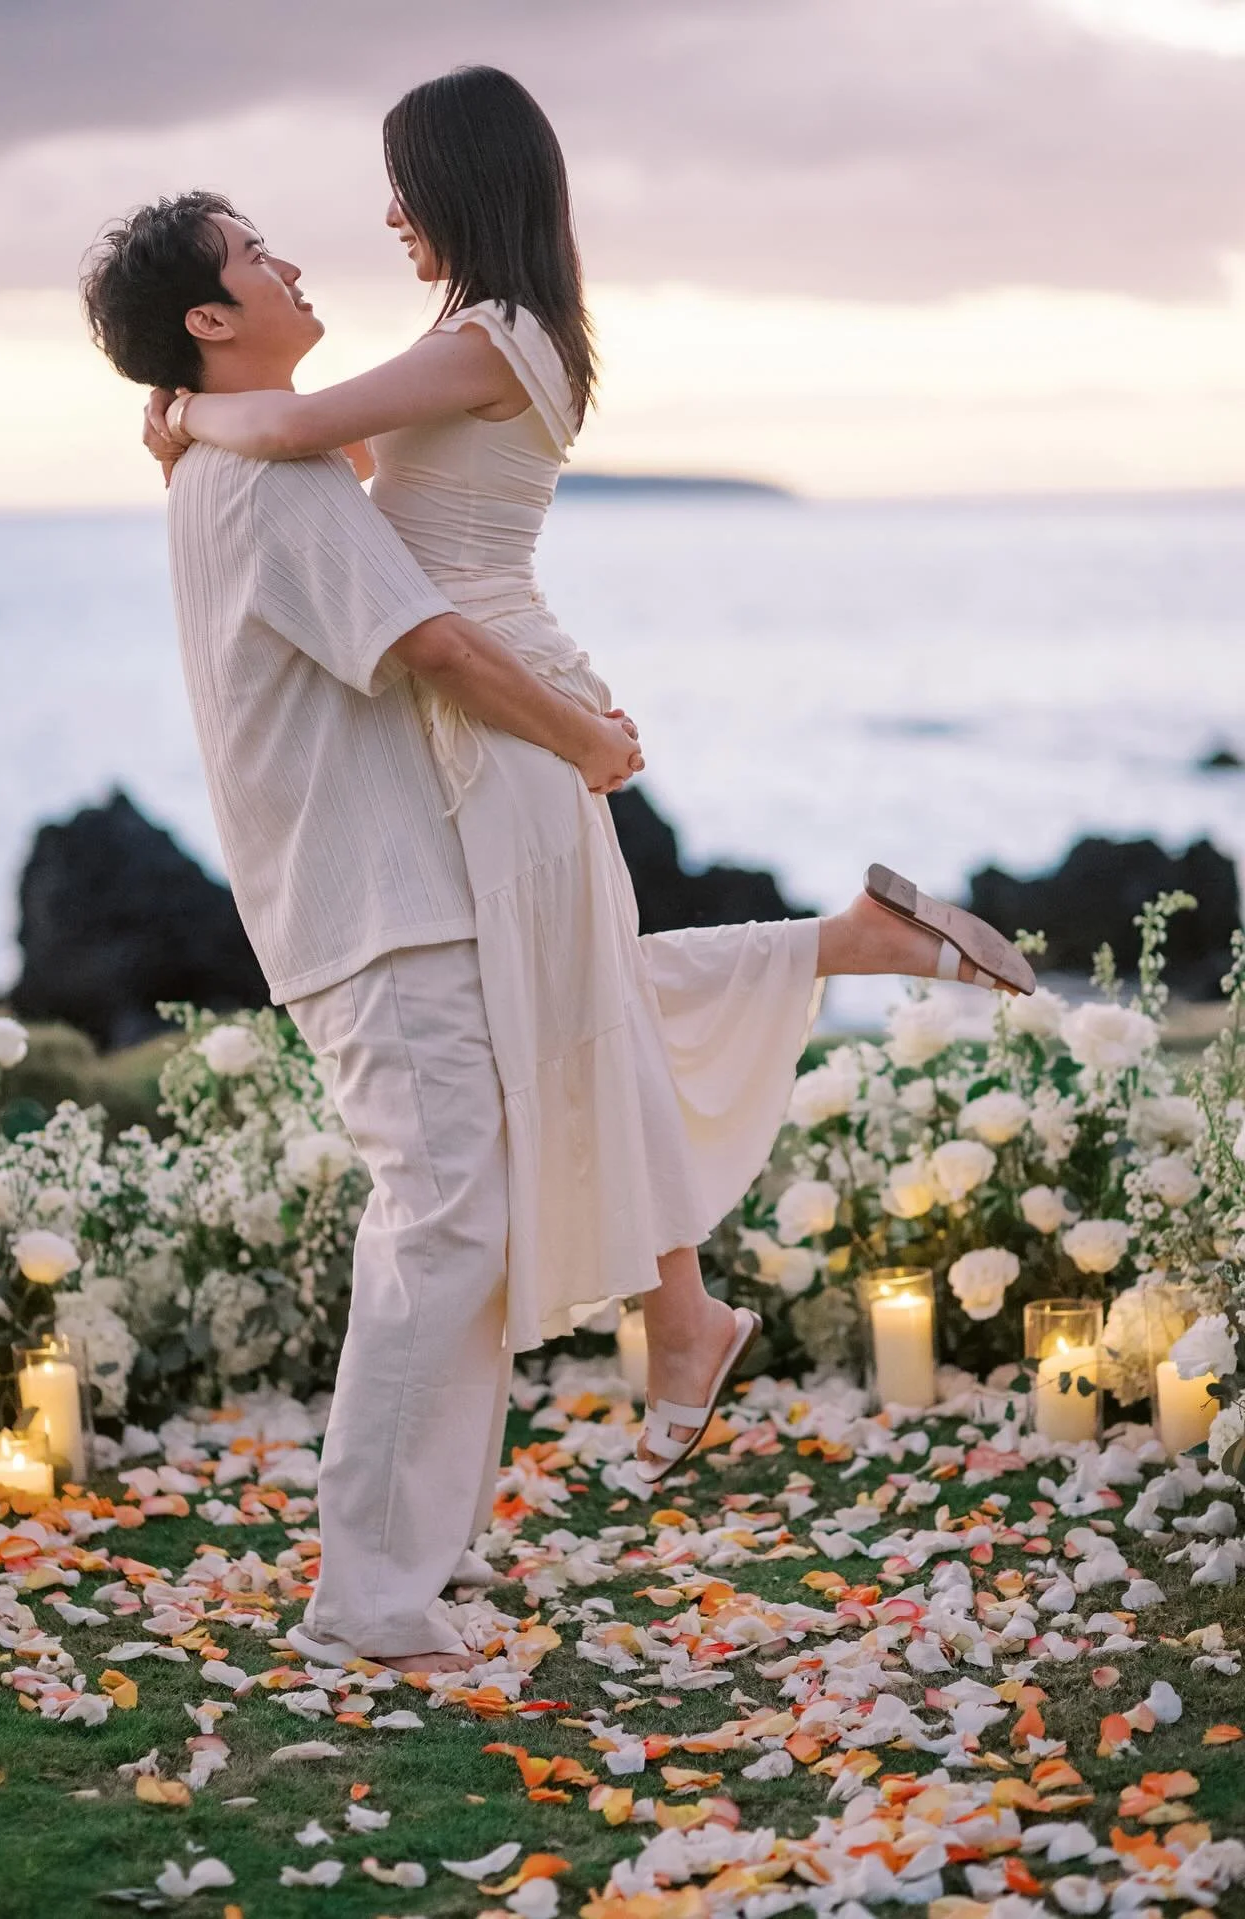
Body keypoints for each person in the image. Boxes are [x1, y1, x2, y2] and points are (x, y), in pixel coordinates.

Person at [142, 68, 1036, 1484]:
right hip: (491, 694)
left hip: (500, 701)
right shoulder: (485, 336)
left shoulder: (492, 337)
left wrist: (190, 418)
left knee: (565, 1005)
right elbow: (350, 454)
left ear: (462, 184)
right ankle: (833, 980)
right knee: (565, 996)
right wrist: (218, 430)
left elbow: (296, 433)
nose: (389, 217)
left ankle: (687, 1310)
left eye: (403, 190)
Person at [83, 189, 645, 1675]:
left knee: (461, 1216)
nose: (288, 263)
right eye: (254, 256)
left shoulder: (246, 462)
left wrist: (188, 416)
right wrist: (589, 740)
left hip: (375, 891)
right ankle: (371, 1594)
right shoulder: (270, 484)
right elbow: (438, 646)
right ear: (210, 319)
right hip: (373, 901)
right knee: (445, 1216)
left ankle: (419, 1553)